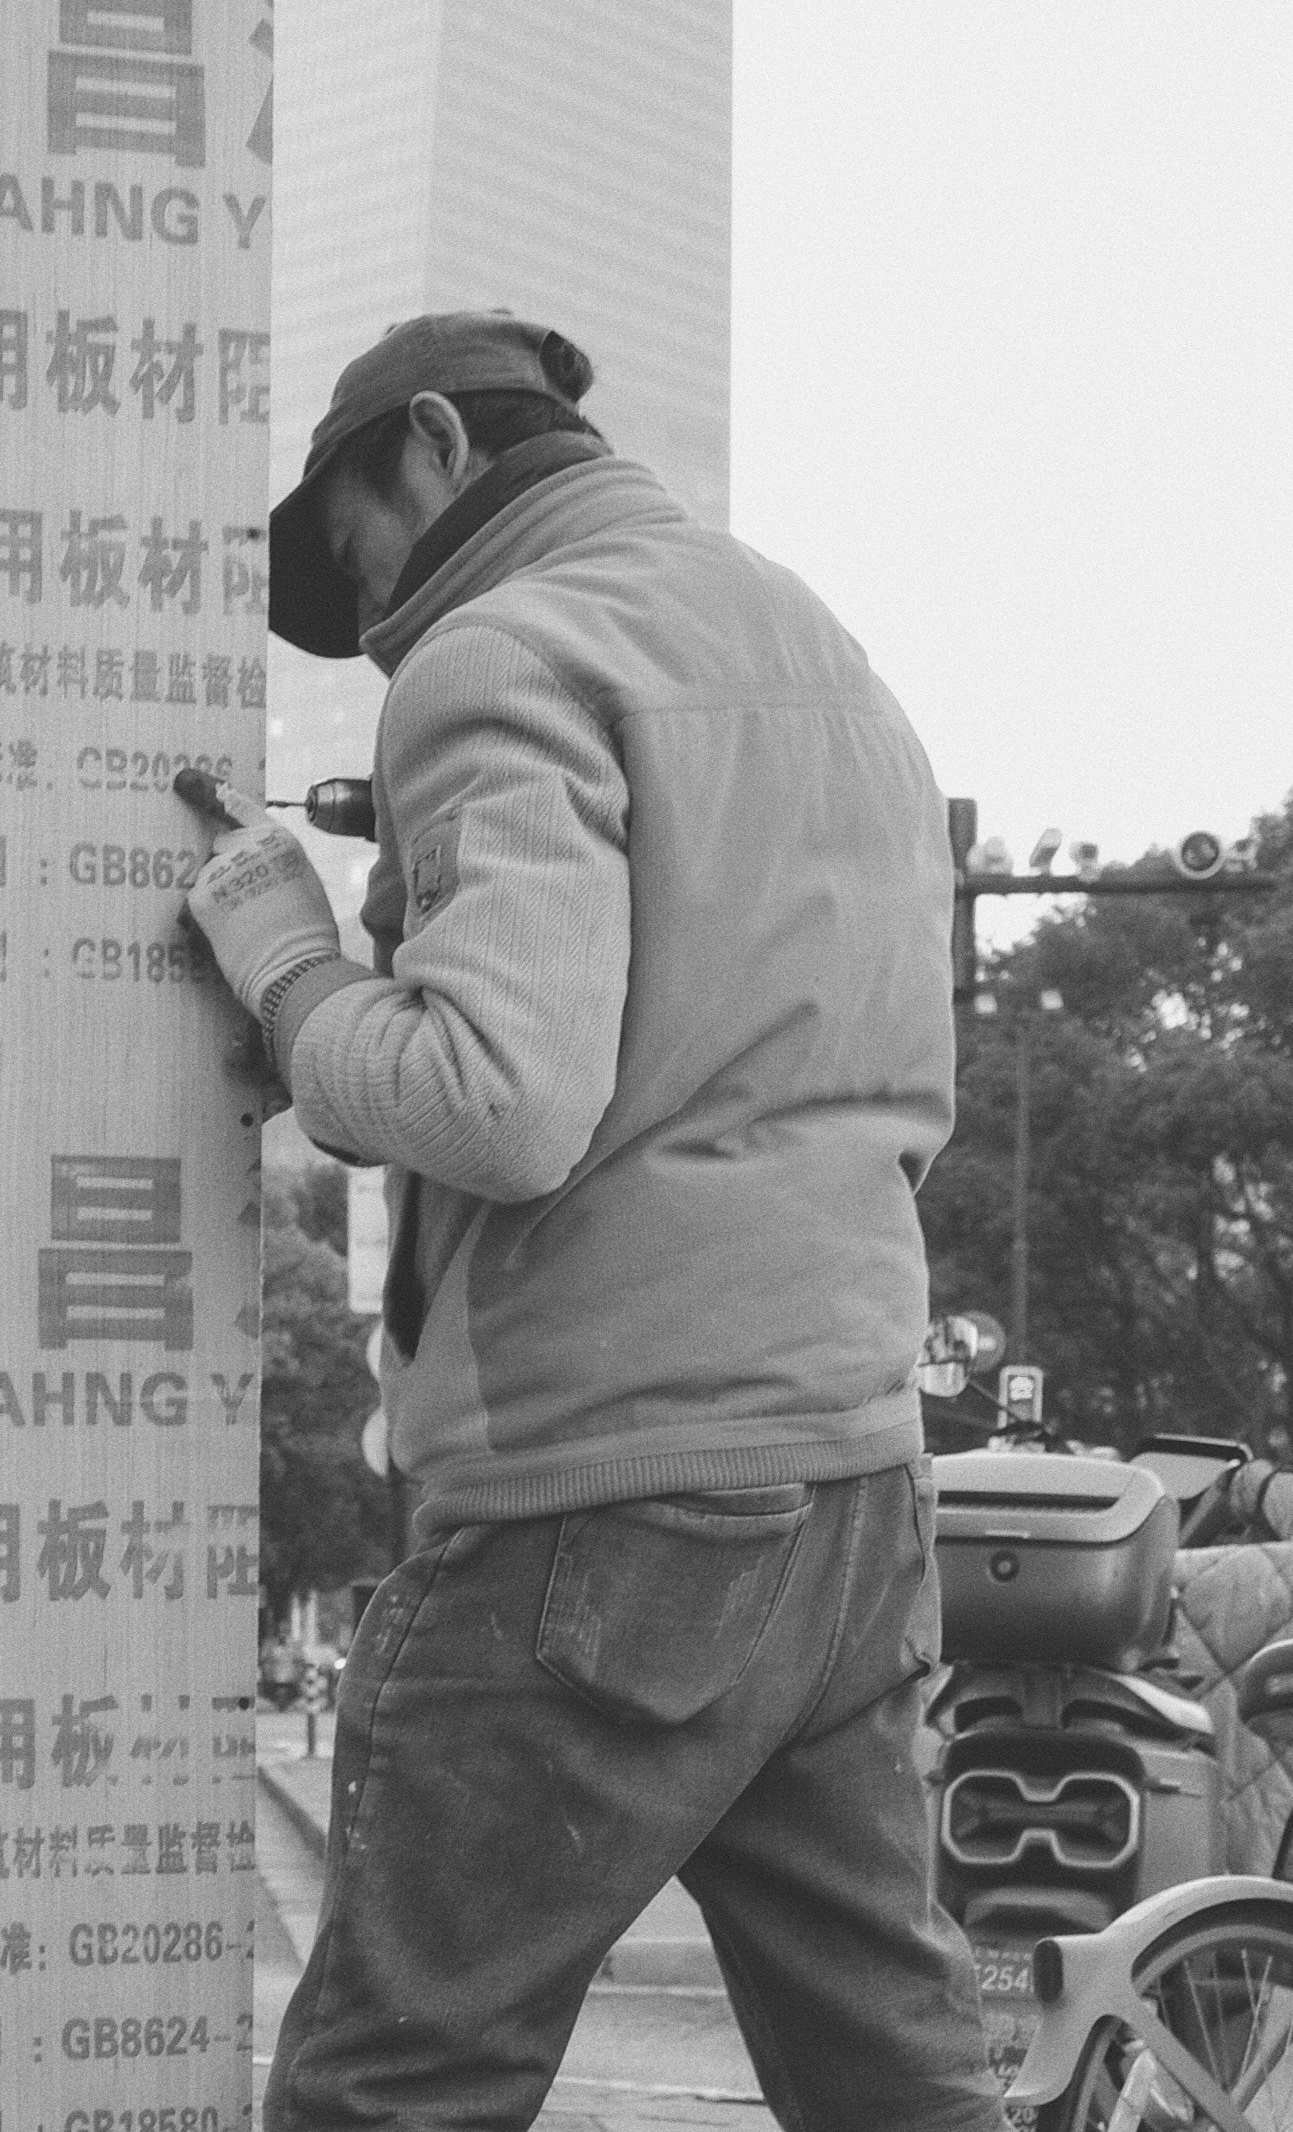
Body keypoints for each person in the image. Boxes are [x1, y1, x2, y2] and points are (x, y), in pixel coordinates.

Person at [177, 312, 1001, 2132]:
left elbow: (497, 1096)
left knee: (400, 2081)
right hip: (855, 1482)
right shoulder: (818, 650)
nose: (375, 613)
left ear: (436, 451)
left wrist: (289, 961)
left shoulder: (504, 656)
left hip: (605, 1498)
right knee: (898, 2080)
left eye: (357, 547)